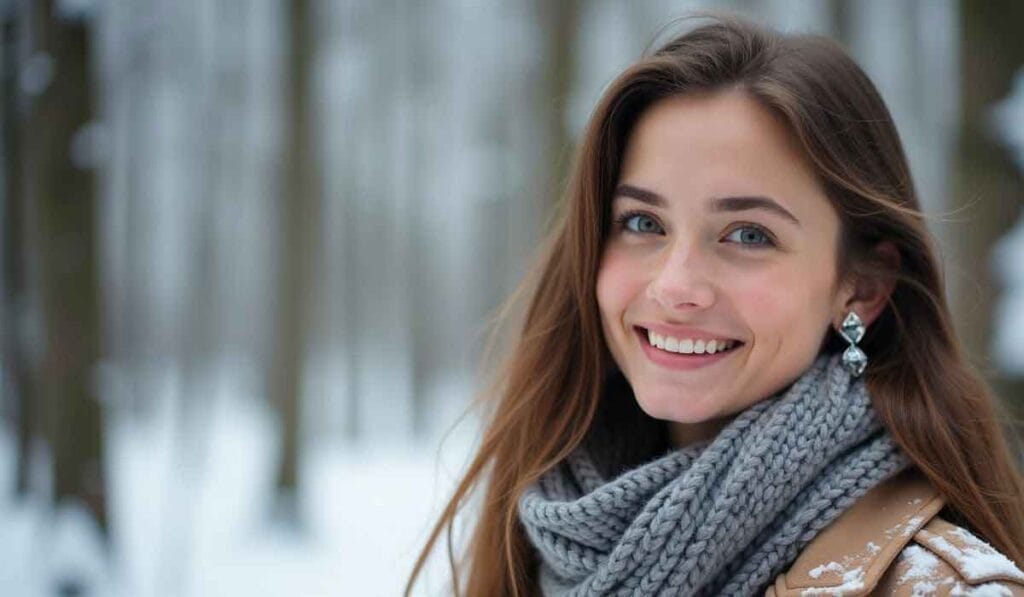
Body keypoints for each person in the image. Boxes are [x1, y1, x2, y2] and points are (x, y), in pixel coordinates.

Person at [405, 12, 1024, 596]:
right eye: (643, 222)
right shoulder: (542, 539)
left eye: (749, 235)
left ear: (860, 287)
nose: (676, 286)